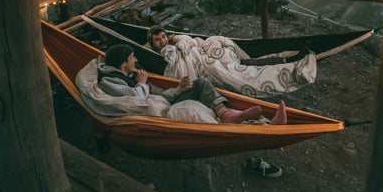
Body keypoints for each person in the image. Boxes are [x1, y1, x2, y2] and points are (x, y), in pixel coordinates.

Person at [98, 44, 287, 125]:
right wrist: (142, 83)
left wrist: (177, 90)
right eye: (132, 58)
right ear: (123, 63)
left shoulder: (124, 75)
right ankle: (265, 125)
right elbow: (138, 101)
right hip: (160, 112)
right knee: (202, 86)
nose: (136, 60)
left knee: (202, 83)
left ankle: (227, 114)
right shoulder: (110, 82)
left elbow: (153, 98)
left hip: (164, 101)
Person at [145, 25, 310, 65]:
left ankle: (290, 57)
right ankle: (290, 59)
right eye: (158, 40)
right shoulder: (164, 51)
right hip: (209, 61)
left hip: (208, 48)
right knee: (250, 65)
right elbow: (179, 56)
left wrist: (177, 40)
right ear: (153, 43)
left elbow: (194, 41)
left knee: (221, 41)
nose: (163, 41)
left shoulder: (173, 41)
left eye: (164, 37)